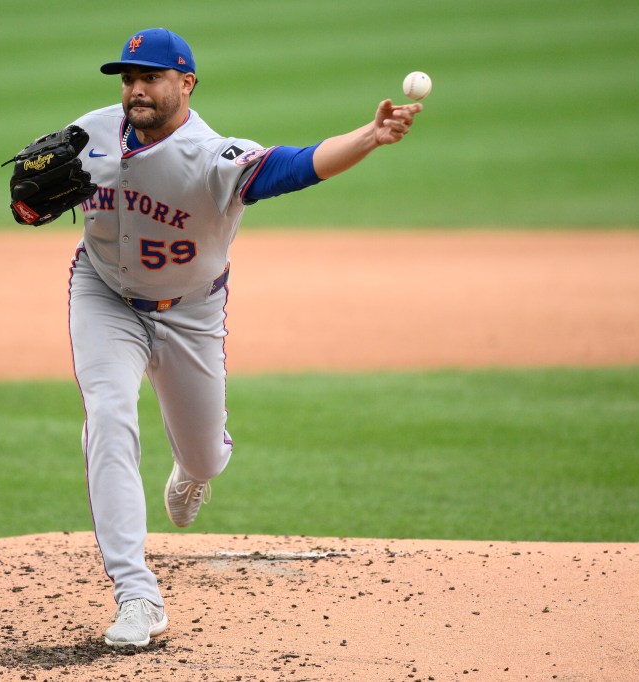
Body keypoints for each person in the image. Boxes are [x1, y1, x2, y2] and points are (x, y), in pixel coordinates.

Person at [66, 27, 423, 647]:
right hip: (103, 296)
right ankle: (136, 594)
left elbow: (293, 165)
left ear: (186, 83)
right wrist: (24, 206)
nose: (135, 90)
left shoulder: (213, 156)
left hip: (191, 312)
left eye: (150, 77)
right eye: (128, 78)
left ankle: (194, 468)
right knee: (108, 409)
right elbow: (29, 195)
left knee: (204, 455)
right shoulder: (87, 135)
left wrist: (370, 136)